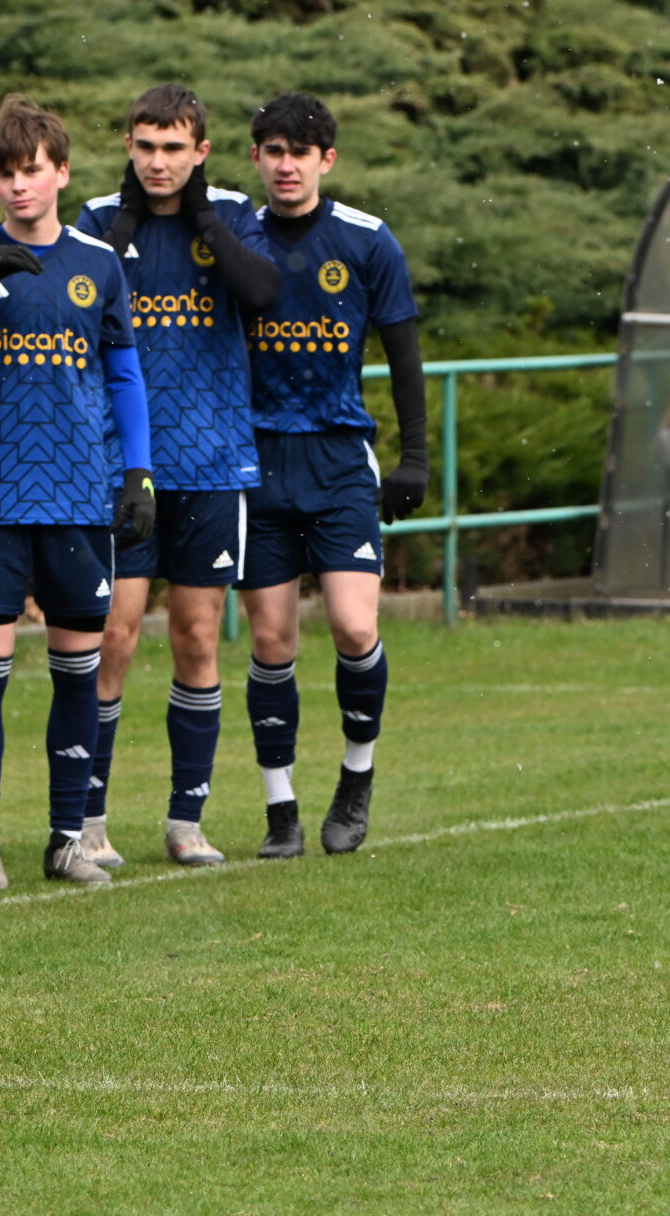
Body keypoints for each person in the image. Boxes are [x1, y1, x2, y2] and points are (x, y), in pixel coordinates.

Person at [0, 96, 149, 890]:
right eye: (3, 173)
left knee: (77, 670)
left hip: (76, 493)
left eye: (30, 170)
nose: (17, 186)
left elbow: (123, 372)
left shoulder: (99, 262)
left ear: (62, 172)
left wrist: (137, 473)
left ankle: (68, 839)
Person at [75, 83, 279, 871]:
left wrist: (199, 217)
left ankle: (186, 820)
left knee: (197, 636)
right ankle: (88, 819)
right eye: (145, 146)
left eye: (173, 148)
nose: (158, 162)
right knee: (113, 636)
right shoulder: (98, 219)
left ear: (201, 151)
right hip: (122, 467)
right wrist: (126, 228)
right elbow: (75, 313)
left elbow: (262, 293)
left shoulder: (231, 213)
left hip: (212, 461)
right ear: (128, 146)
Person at [237, 92, 427, 857]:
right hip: (254, 462)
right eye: (275, 151)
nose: (287, 166)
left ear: (327, 160)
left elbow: (404, 355)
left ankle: (356, 775)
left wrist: (415, 457)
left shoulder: (367, 240)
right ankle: (280, 807)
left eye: (301, 153)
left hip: (340, 459)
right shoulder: (234, 238)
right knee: (272, 638)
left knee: (354, 625)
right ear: (256, 157)